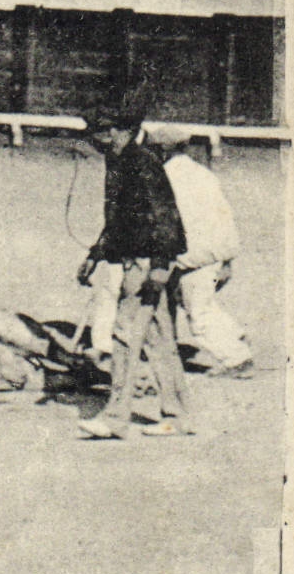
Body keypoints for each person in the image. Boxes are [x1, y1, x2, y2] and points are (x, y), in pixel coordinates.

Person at [75, 106, 190, 438]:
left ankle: (115, 419)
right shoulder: (122, 161)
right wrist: (96, 254)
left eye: (95, 133)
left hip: (146, 263)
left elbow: (166, 217)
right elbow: (118, 220)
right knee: (159, 341)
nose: (92, 141)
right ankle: (179, 416)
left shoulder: (141, 163)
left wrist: (160, 268)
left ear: (113, 131)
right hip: (141, 261)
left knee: (125, 337)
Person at [148, 124, 254, 376]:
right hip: (212, 253)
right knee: (195, 302)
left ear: (163, 149)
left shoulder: (166, 177)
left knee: (199, 313)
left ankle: (237, 359)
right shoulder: (203, 174)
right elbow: (225, 216)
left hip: (191, 254)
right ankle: (235, 337)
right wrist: (227, 260)